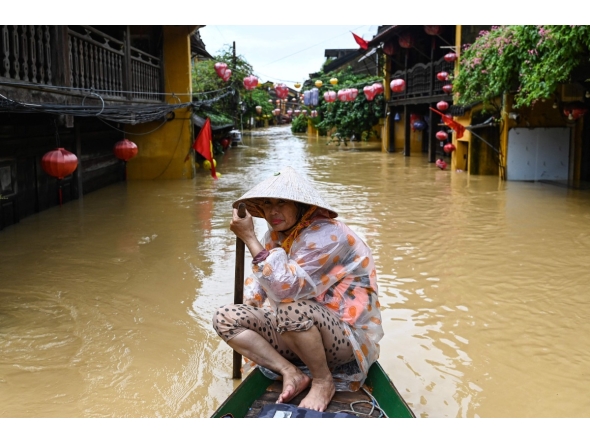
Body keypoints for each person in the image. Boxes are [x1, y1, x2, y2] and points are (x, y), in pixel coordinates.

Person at [212, 166, 383, 412]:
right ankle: (290, 372)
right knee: (225, 317)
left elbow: (285, 289)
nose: (273, 211)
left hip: (345, 336)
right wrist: (249, 308)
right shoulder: (277, 233)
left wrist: (249, 238)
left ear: (301, 206)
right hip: (299, 327)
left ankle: (323, 381)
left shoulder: (327, 234)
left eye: (282, 202)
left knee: (290, 309)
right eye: (268, 204)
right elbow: (261, 283)